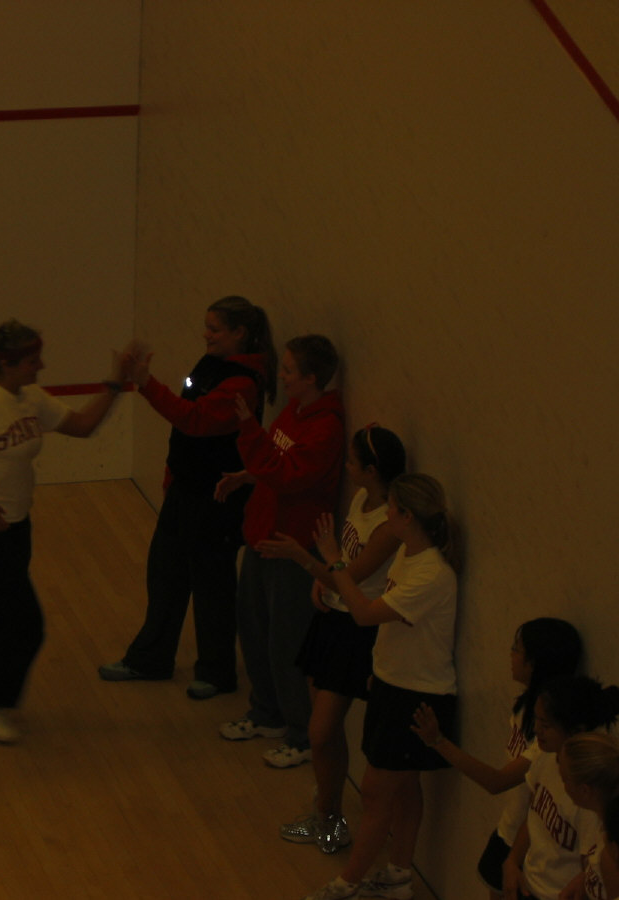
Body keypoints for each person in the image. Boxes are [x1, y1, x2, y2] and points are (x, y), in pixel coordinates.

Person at [0, 320, 122, 743]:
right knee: (27, 624)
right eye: (33, 361)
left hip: (15, 527)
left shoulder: (31, 399)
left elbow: (82, 426)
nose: (41, 366)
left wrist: (116, 386)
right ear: (8, 363)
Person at [98, 296, 274, 698]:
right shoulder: (211, 363)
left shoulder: (243, 383)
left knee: (213, 588)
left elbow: (193, 420)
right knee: (165, 575)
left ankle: (216, 673)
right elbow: (185, 423)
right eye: (206, 326)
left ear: (239, 333)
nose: (205, 335)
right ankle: (150, 660)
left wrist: (146, 383)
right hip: (185, 492)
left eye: (214, 328)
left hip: (218, 500)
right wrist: (172, 475)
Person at [303, 473, 458, 900]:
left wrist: (334, 561)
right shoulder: (409, 554)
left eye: (390, 508)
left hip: (417, 697)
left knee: (374, 793)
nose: (385, 514)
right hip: (392, 686)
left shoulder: (432, 574)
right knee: (404, 788)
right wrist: (379, 668)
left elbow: (365, 614)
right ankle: (398, 877)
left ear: (407, 516)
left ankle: (347, 884)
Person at [261, 425, 407, 853]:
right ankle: (329, 816)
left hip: (359, 629)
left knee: (321, 732)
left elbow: (349, 575)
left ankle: (329, 818)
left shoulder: (389, 526)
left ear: (372, 470)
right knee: (323, 732)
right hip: (331, 619)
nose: (346, 466)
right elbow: (340, 560)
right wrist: (320, 580)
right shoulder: (361, 498)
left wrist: (305, 560)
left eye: (352, 461)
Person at [217, 334, 345, 769]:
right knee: (254, 630)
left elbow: (289, 475)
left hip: (293, 548)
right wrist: (248, 475)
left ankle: (302, 736)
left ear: (311, 378)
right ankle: (267, 713)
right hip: (262, 537)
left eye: (289, 370)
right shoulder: (294, 410)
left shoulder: (326, 429)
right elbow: (272, 460)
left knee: (286, 643)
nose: (282, 376)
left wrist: (248, 430)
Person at [411, 618, 583, 899]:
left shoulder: (547, 743)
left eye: (517, 649)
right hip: (508, 833)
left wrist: (438, 741)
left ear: (535, 663)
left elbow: (497, 781)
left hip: (529, 853)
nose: (510, 654)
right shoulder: (527, 708)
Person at [501, 676, 619, 900]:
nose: (536, 729)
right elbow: (534, 813)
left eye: (564, 778)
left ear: (584, 790)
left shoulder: (602, 839)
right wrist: (512, 861)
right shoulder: (547, 756)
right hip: (531, 885)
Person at [557, 732, 619, 900]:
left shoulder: (611, 852)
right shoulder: (604, 820)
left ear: (585, 791)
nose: (563, 787)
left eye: (564, 780)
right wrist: (585, 878)